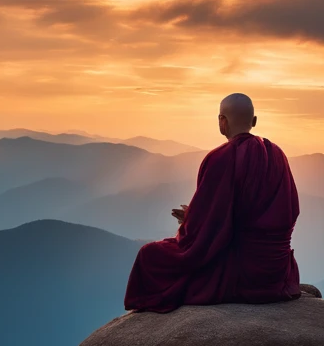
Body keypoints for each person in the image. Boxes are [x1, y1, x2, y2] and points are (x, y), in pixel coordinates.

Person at [124, 93, 301, 312]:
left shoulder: (221, 158)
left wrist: (192, 219)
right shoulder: (277, 155)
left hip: (241, 272)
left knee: (149, 255)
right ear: (254, 121)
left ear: (222, 121)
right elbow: (291, 211)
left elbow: (203, 237)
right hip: (276, 270)